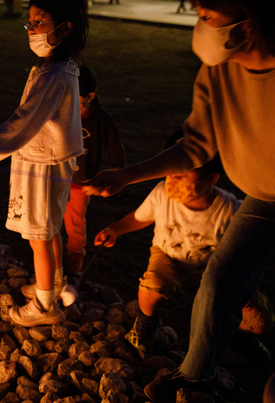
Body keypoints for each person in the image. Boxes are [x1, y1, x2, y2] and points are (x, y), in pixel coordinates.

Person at [83, 0, 275, 403]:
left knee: (236, 289)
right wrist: (126, 176)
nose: (200, 24)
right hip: (262, 200)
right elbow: (196, 144)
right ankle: (196, 376)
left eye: (208, 14)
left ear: (248, 17)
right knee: (219, 282)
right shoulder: (219, 71)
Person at [0, 0, 87, 327]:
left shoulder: (54, 75)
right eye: (29, 23)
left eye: (40, 22)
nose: (31, 29)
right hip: (49, 160)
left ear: (66, 27)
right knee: (49, 229)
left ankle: (45, 306)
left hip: (43, 165)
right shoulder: (60, 68)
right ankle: (54, 283)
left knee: (38, 236)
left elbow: (24, 121)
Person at [94, 132, 272, 357]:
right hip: (168, 256)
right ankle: (145, 324)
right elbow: (141, 217)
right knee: (152, 287)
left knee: (258, 318)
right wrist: (115, 229)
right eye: (170, 172)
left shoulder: (228, 209)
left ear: (211, 178)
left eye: (183, 172)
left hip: (213, 265)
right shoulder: (161, 195)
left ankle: (240, 336)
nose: (173, 178)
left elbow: (247, 244)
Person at [64, 66, 124, 276]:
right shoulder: (62, 114)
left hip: (81, 183)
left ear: (90, 96)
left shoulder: (101, 119)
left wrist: (110, 178)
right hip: (56, 178)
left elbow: (116, 153)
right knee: (49, 220)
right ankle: (50, 266)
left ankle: (74, 261)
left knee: (74, 224)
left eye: (74, 97)